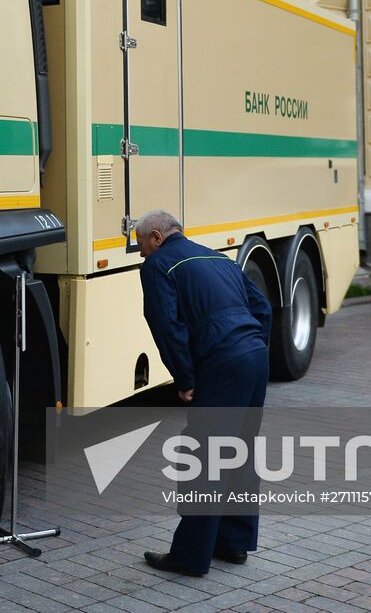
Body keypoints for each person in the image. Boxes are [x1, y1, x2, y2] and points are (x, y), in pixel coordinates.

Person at [134, 210, 273, 578]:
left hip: (222, 363)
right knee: (240, 451)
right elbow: (263, 308)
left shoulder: (158, 265)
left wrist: (185, 378)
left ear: (157, 237)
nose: (141, 254)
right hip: (254, 358)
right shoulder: (216, 256)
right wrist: (254, 349)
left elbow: (167, 326)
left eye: (141, 246)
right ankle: (234, 543)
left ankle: (190, 557)